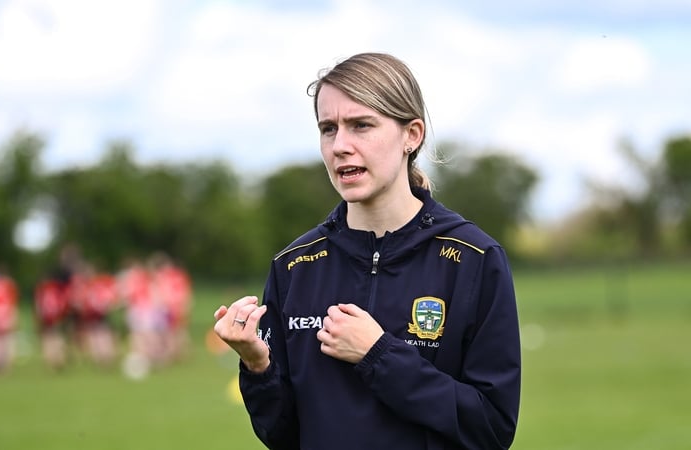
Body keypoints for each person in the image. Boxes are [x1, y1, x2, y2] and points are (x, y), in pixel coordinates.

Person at [213, 52, 521, 450]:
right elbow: (283, 435)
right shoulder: (294, 267)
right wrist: (258, 366)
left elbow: (492, 428)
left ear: (411, 135)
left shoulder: (474, 259)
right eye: (328, 129)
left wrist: (378, 355)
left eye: (361, 125)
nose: (340, 145)